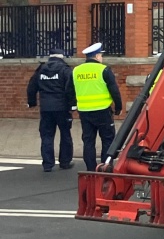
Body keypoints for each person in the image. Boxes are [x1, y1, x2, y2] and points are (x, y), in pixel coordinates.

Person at [67, 43, 123, 171]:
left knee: (88, 140)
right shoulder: (104, 70)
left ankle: (90, 169)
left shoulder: (76, 71)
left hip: (85, 112)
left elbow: (69, 90)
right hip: (103, 111)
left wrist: (73, 106)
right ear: (97, 56)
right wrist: (118, 107)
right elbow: (114, 90)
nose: (101, 58)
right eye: (101, 55)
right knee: (108, 139)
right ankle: (105, 166)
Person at [26, 48, 75, 172]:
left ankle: (48, 164)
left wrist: (32, 102)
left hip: (46, 108)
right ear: (61, 57)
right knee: (65, 134)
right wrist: (73, 104)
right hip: (62, 108)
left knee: (46, 135)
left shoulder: (41, 69)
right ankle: (65, 162)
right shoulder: (65, 70)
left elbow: (31, 87)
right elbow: (70, 89)